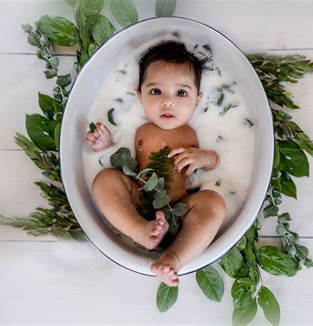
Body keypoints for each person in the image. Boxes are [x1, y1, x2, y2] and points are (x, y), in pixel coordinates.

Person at [86, 41, 226, 286]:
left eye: (181, 93)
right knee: (105, 179)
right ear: (140, 94)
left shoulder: (191, 134)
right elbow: (117, 148)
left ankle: (175, 257)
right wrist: (104, 142)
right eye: (156, 91)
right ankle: (139, 229)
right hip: (138, 199)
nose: (168, 102)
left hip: (181, 209)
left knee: (214, 202)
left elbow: (215, 161)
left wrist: (202, 157)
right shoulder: (138, 127)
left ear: (197, 99)